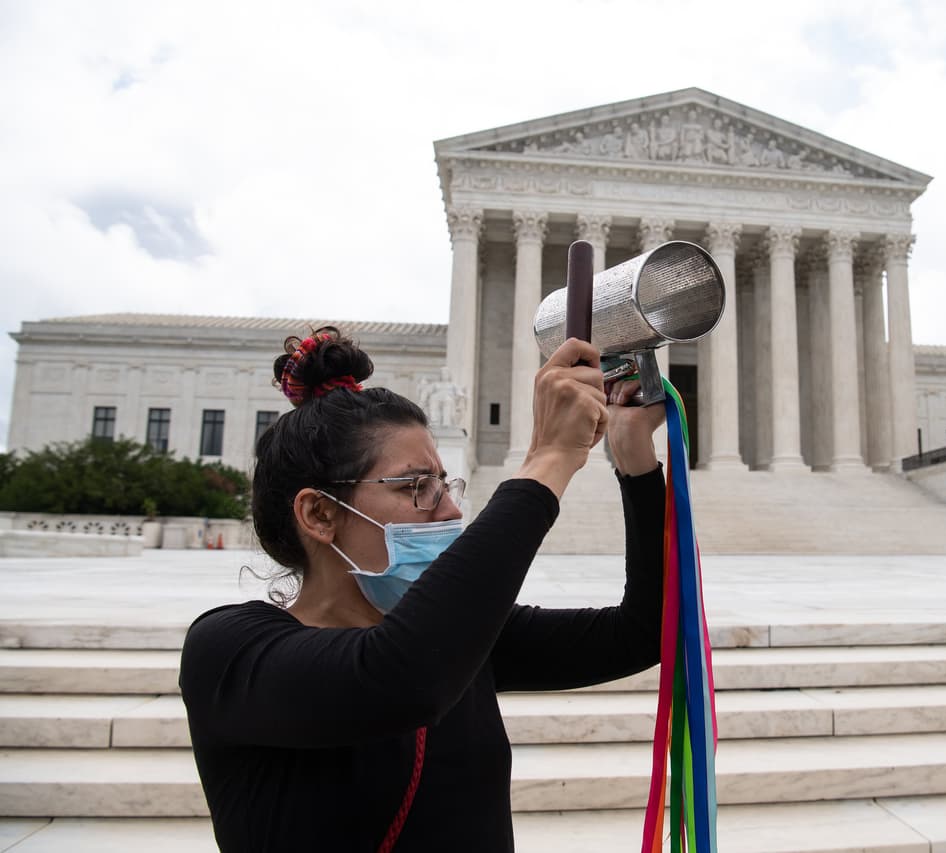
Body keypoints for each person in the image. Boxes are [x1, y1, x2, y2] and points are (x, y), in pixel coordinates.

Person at [179, 326, 666, 852]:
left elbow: (644, 631)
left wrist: (633, 459)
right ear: (319, 514)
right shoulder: (229, 651)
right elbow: (400, 677)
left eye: (443, 482)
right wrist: (547, 459)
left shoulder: (466, 641)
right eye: (416, 486)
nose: (450, 508)